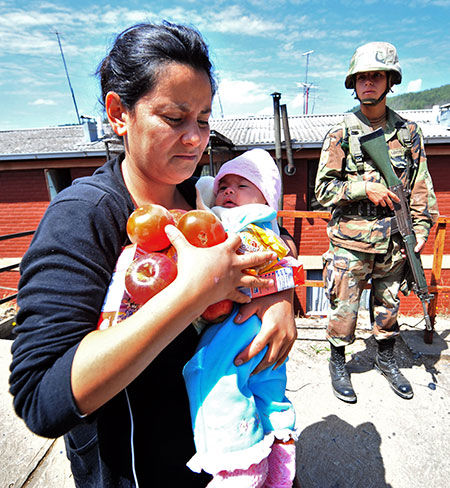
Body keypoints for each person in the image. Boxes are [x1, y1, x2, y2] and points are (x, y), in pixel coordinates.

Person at [9, 22, 297, 487]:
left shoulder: (206, 196)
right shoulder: (86, 215)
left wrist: (280, 296)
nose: (195, 138)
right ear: (119, 112)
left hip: (228, 448)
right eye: (174, 117)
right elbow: (41, 396)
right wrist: (192, 292)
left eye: (203, 120)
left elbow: (272, 236)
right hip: (142, 468)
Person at [314, 41, 438, 403]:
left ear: (389, 81)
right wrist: (362, 188)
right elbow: (323, 189)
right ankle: (338, 363)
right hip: (350, 242)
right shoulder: (341, 132)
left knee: (388, 308)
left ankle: (386, 360)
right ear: (353, 83)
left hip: (394, 242)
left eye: (376, 76)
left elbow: (420, 189)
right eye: (362, 77)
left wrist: (419, 233)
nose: (369, 83)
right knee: (343, 309)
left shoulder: (409, 133)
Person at [184, 149, 299, 487]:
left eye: (242, 185)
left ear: (265, 199)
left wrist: (203, 196)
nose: (229, 192)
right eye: (223, 186)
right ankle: (280, 448)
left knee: (216, 381)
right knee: (269, 388)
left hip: (236, 329)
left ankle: (240, 466)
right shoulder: (268, 229)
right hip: (268, 331)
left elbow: (202, 220)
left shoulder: (238, 222)